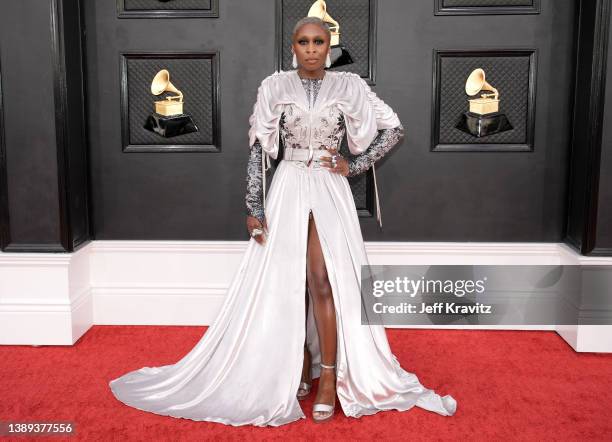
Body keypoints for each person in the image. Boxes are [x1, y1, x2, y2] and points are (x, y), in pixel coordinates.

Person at [109, 16, 456, 426]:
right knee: (291, 279)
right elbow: (259, 149)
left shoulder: (351, 87)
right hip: (289, 186)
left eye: (319, 42)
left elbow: (394, 128)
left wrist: (355, 164)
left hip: (329, 189)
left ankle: (329, 376)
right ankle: (300, 360)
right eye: (303, 41)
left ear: (330, 47)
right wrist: (254, 206)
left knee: (322, 278)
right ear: (293, 46)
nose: (311, 49)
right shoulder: (274, 87)